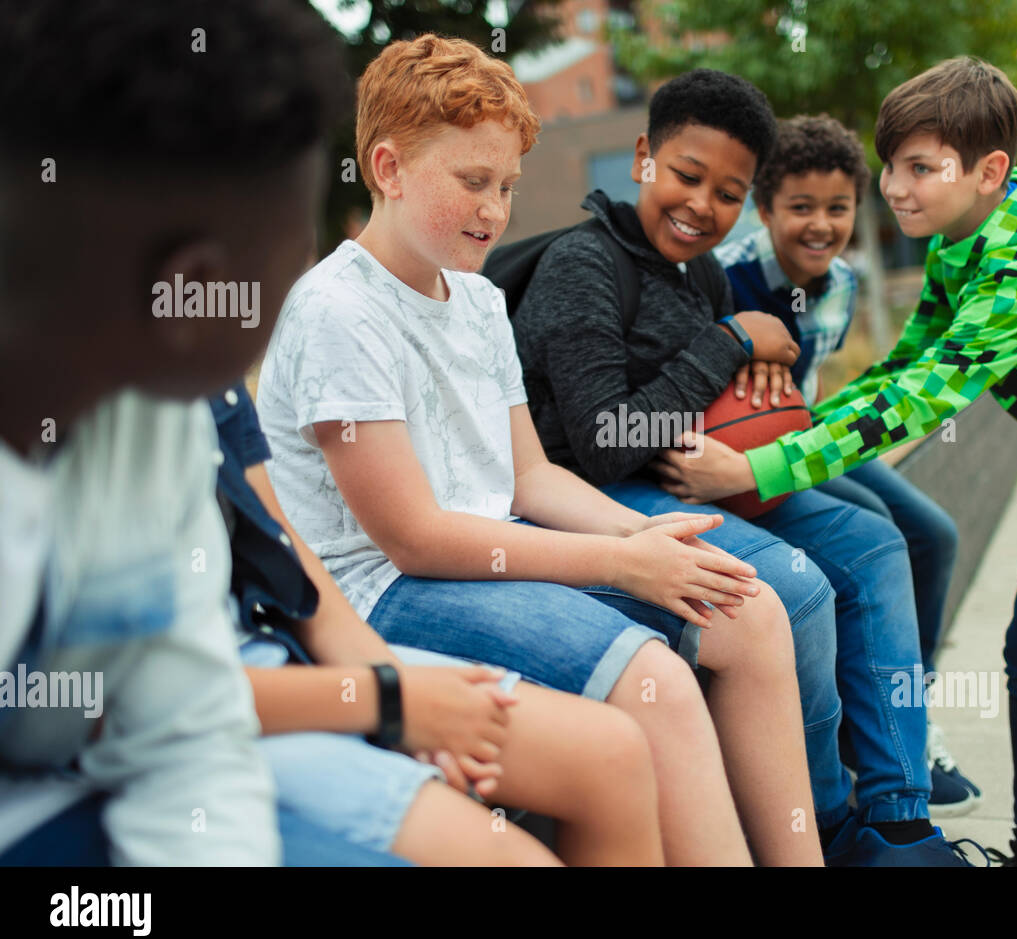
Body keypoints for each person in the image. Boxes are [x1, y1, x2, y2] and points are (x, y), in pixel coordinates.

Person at [255, 34, 821, 866]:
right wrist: (616, 563)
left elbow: (530, 474)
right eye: (473, 182)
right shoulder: (338, 310)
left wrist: (641, 538)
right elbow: (411, 536)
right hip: (383, 589)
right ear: (387, 167)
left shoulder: (481, 302)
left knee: (748, 606)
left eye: (509, 185)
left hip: (487, 554)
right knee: (653, 683)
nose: (496, 209)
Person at [663, 56, 1017, 867]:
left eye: (920, 169)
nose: (896, 187)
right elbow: (906, 364)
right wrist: (794, 427)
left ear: (988, 170)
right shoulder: (960, 238)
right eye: (892, 165)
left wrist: (761, 469)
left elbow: (927, 396)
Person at [511, 69, 984, 865]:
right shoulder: (582, 265)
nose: (702, 206)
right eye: (687, 176)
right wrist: (730, 342)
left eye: (727, 193)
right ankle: (827, 827)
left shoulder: (699, 272)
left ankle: (899, 824)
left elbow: (722, 381)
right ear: (642, 157)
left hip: (688, 469)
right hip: (594, 490)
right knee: (794, 588)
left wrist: (753, 372)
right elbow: (603, 435)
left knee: (878, 545)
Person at [0, 0, 367, 864]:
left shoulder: (152, 422)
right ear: (194, 289)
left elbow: (187, 741)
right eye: (297, 243)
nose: (305, 274)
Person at [212, 380, 665, 865]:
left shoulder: (210, 385)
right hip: (213, 710)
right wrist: (389, 701)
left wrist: (391, 680)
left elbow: (291, 565)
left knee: (611, 752)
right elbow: (141, 700)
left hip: (277, 659)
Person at [713, 113, 979, 816]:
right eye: (800, 207)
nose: (820, 225)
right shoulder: (724, 279)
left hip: (807, 439)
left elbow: (816, 387)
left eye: (838, 208)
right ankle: (876, 739)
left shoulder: (845, 283)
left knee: (935, 532)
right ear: (765, 208)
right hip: (750, 457)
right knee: (877, 527)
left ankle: (907, 712)